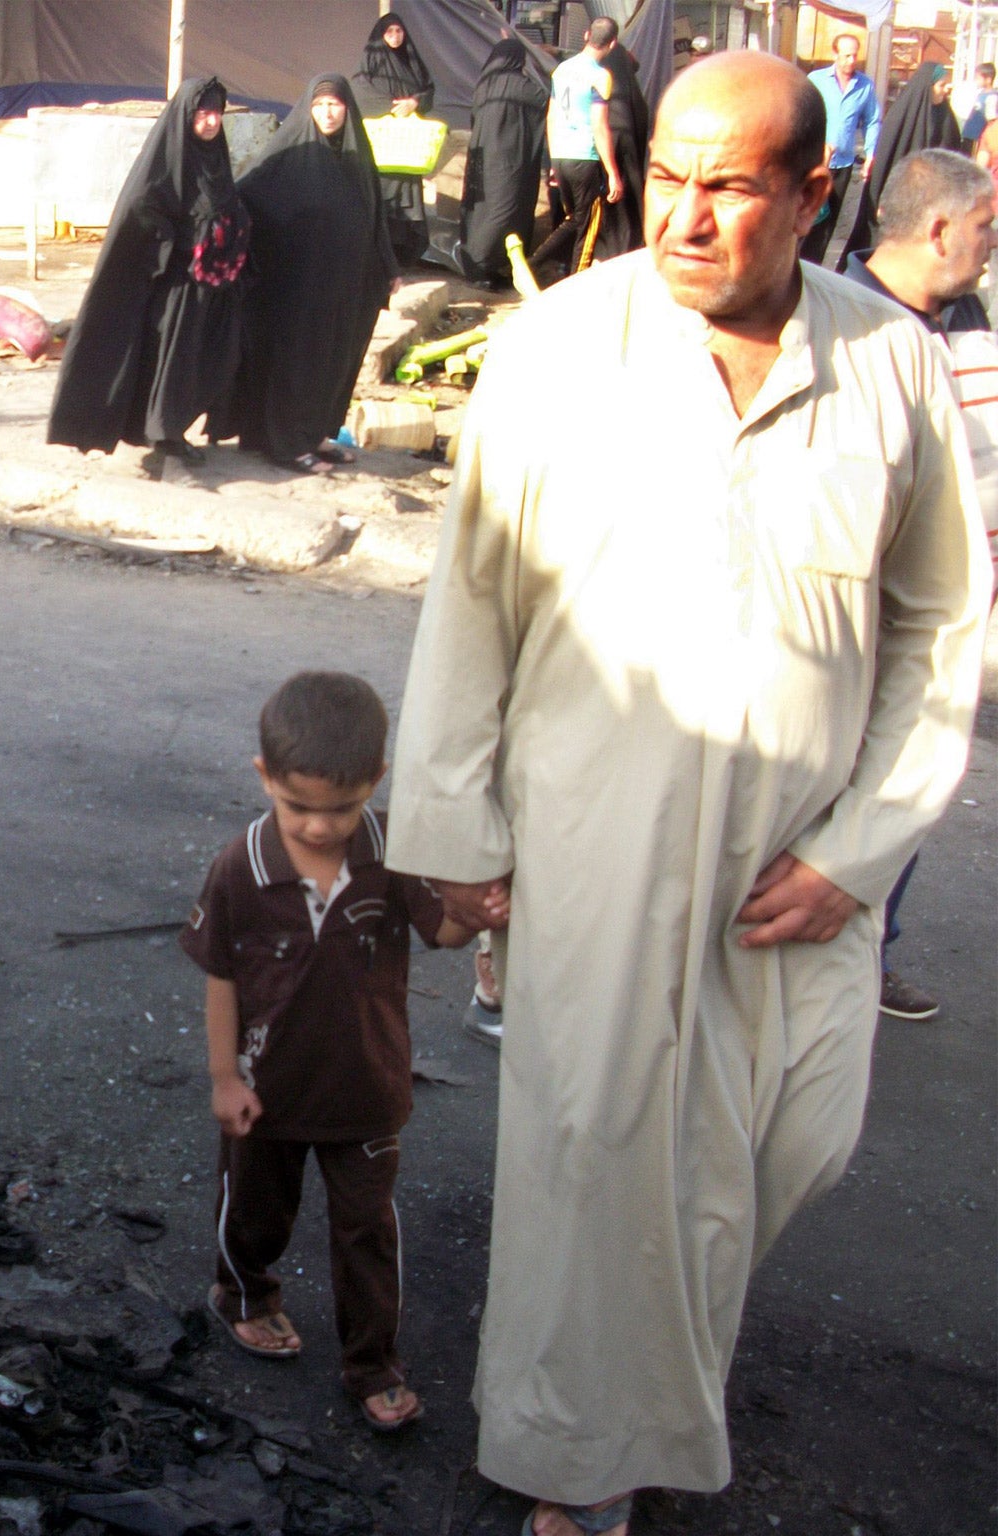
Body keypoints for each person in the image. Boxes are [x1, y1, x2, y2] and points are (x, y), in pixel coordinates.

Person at [388, 51, 990, 1536]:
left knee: (786, 1143)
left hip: (801, 867)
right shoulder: (556, 349)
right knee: (592, 1156)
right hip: (596, 841)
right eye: (669, 176)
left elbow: (938, 627)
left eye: (731, 187)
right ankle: (573, 1465)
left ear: (815, 194)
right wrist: (455, 844)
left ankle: (636, 1393)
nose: (689, 216)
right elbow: (473, 607)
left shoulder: (890, 363)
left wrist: (865, 849)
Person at [181, 672, 480, 1434]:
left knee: (368, 1231)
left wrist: (476, 916)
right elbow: (221, 975)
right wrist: (222, 1077)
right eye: (298, 806)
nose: (319, 826)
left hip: (366, 1090)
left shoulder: (395, 856)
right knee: (253, 1209)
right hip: (265, 1089)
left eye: (341, 808)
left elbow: (441, 933)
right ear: (265, 778)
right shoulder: (238, 869)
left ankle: (372, 1361)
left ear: (376, 783)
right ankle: (244, 1293)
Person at [843, 147, 998, 1021]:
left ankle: (867, 949)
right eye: (984, 228)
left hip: (948, 616)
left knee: (908, 780)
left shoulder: (968, 315)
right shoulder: (843, 320)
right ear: (939, 229)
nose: (992, 244)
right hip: (863, 614)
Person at [48, 78, 250, 477]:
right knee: (172, 363)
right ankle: (166, 439)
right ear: (185, 116)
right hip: (174, 287)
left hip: (208, 288)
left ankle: (170, 432)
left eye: (216, 114)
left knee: (200, 361)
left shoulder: (214, 159)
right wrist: (178, 242)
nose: (210, 122)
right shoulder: (167, 162)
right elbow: (143, 209)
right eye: (202, 113)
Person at [214, 76, 394, 473]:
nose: (328, 113)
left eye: (335, 104)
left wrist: (388, 266)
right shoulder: (290, 153)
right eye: (320, 105)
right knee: (297, 362)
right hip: (296, 287)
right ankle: (285, 443)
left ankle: (314, 433)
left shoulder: (356, 155)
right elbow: (248, 197)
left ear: (349, 108)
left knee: (334, 360)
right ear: (307, 109)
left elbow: (376, 216)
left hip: (343, 286)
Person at [833, 60, 964, 268]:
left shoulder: (946, 119)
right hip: (898, 199)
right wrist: (881, 198)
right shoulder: (901, 118)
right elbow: (886, 160)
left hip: (931, 202)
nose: (945, 90)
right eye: (941, 85)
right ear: (927, 88)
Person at [530, 18, 620, 275]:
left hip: (561, 155)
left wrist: (553, 160)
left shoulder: (562, 70)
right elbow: (600, 126)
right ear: (612, 44)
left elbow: (551, 116)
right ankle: (549, 268)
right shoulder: (600, 76)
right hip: (585, 156)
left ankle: (538, 265)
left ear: (586, 35)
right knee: (587, 225)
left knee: (575, 219)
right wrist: (613, 173)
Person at [457, 38, 549, 286]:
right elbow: (545, 100)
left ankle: (477, 265)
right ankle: (490, 265)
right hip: (509, 162)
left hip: (483, 158)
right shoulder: (522, 85)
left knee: (481, 212)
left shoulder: (484, 84)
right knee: (505, 210)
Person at [351, 13, 437, 268]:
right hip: (382, 148)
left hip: (407, 149)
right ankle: (378, 257)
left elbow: (428, 89)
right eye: (389, 33)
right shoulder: (371, 61)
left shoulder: (412, 60)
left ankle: (400, 259)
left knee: (406, 203)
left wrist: (415, 102)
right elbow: (360, 91)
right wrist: (392, 107)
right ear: (380, 36)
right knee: (381, 200)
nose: (395, 37)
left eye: (399, 32)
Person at [802, 34, 881, 264]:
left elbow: (872, 120)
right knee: (808, 216)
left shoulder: (864, 85)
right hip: (816, 161)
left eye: (855, 55)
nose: (851, 60)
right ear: (835, 54)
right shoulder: (816, 80)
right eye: (846, 55)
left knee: (828, 221)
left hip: (844, 164)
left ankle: (815, 270)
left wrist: (870, 153)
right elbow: (803, 113)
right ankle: (797, 264)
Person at [583, 44, 652, 265]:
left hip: (608, 167)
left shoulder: (605, 97)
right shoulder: (636, 100)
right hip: (631, 173)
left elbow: (600, 130)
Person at [960, 60, 998, 143]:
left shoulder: (992, 97)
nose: (976, 80)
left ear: (988, 79)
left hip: (977, 137)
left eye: (978, 78)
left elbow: (991, 119)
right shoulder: (981, 93)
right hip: (970, 134)